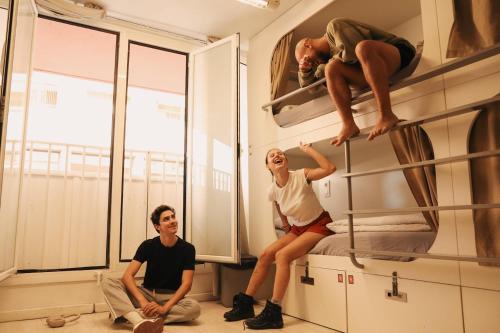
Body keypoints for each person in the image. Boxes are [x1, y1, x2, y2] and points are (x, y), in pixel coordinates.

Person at [223, 143, 336, 330]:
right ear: (268, 166)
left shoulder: (302, 175)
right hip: (297, 228)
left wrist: (308, 150)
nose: (277, 155)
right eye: (272, 155)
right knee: (266, 254)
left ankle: (274, 311)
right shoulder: (272, 190)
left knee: (282, 255)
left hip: (319, 224)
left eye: (280, 153)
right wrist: (285, 223)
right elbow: (278, 203)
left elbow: (330, 168)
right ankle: (245, 304)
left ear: (285, 160)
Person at [295, 18, 416, 146]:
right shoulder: (325, 63)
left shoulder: (333, 27)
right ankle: (349, 125)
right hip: (367, 69)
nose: (314, 64)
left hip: (397, 52)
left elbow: (351, 54)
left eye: (307, 58)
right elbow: (312, 88)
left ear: (308, 45)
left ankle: (386, 115)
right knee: (331, 69)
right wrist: (305, 71)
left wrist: (323, 68)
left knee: (362, 48)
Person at [101, 205, 200, 333]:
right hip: (146, 293)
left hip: (170, 296)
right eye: (166, 219)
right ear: (157, 226)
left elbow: (186, 284)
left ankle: (128, 315)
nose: (172, 221)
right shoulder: (147, 245)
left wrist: (165, 308)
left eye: (173, 217)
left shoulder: (188, 249)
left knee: (194, 308)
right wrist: (142, 301)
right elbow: (127, 276)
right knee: (108, 282)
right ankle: (138, 321)